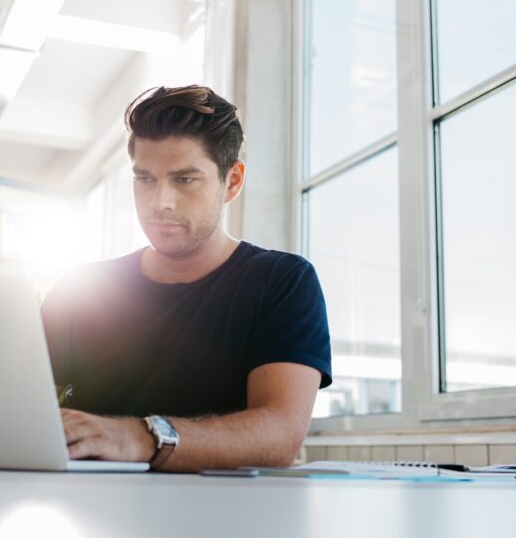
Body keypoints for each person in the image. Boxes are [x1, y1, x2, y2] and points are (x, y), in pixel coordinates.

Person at [41, 85, 331, 472]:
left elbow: (280, 435)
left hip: (219, 520)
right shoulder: (80, 290)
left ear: (232, 182)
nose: (160, 202)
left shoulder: (283, 282)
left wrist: (141, 437)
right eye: (145, 179)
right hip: (83, 511)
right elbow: (17, 412)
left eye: (184, 180)